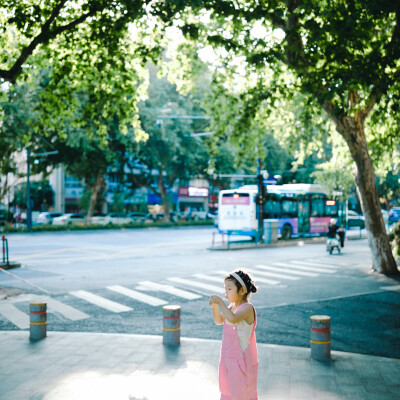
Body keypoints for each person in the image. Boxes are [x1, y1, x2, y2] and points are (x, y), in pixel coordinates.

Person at [209, 270, 258, 400]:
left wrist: (220, 302)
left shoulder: (247, 308)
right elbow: (219, 320)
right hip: (226, 357)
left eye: (229, 288)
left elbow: (233, 319)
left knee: (241, 393)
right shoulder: (231, 307)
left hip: (241, 361)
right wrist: (215, 307)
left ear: (242, 291)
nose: (226, 292)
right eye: (225, 288)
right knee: (226, 391)